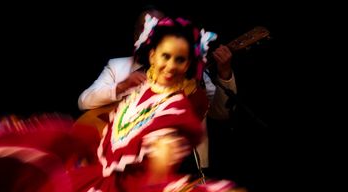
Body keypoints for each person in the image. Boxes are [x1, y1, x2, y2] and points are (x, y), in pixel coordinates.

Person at [0, 15, 334, 192]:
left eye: (180, 60)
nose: (171, 65)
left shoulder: (178, 104)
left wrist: (158, 176)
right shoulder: (130, 85)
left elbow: (207, 120)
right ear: (149, 52)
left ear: (189, 64)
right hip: (101, 184)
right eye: (165, 56)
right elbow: (92, 115)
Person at [77, 6, 237, 173]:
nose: (153, 32)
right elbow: (84, 101)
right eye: (146, 27)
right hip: (123, 165)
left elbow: (221, 113)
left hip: (182, 166)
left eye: (159, 27)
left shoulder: (190, 73)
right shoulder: (117, 66)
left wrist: (224, 73)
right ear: (135, 35)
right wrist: (122, 86)